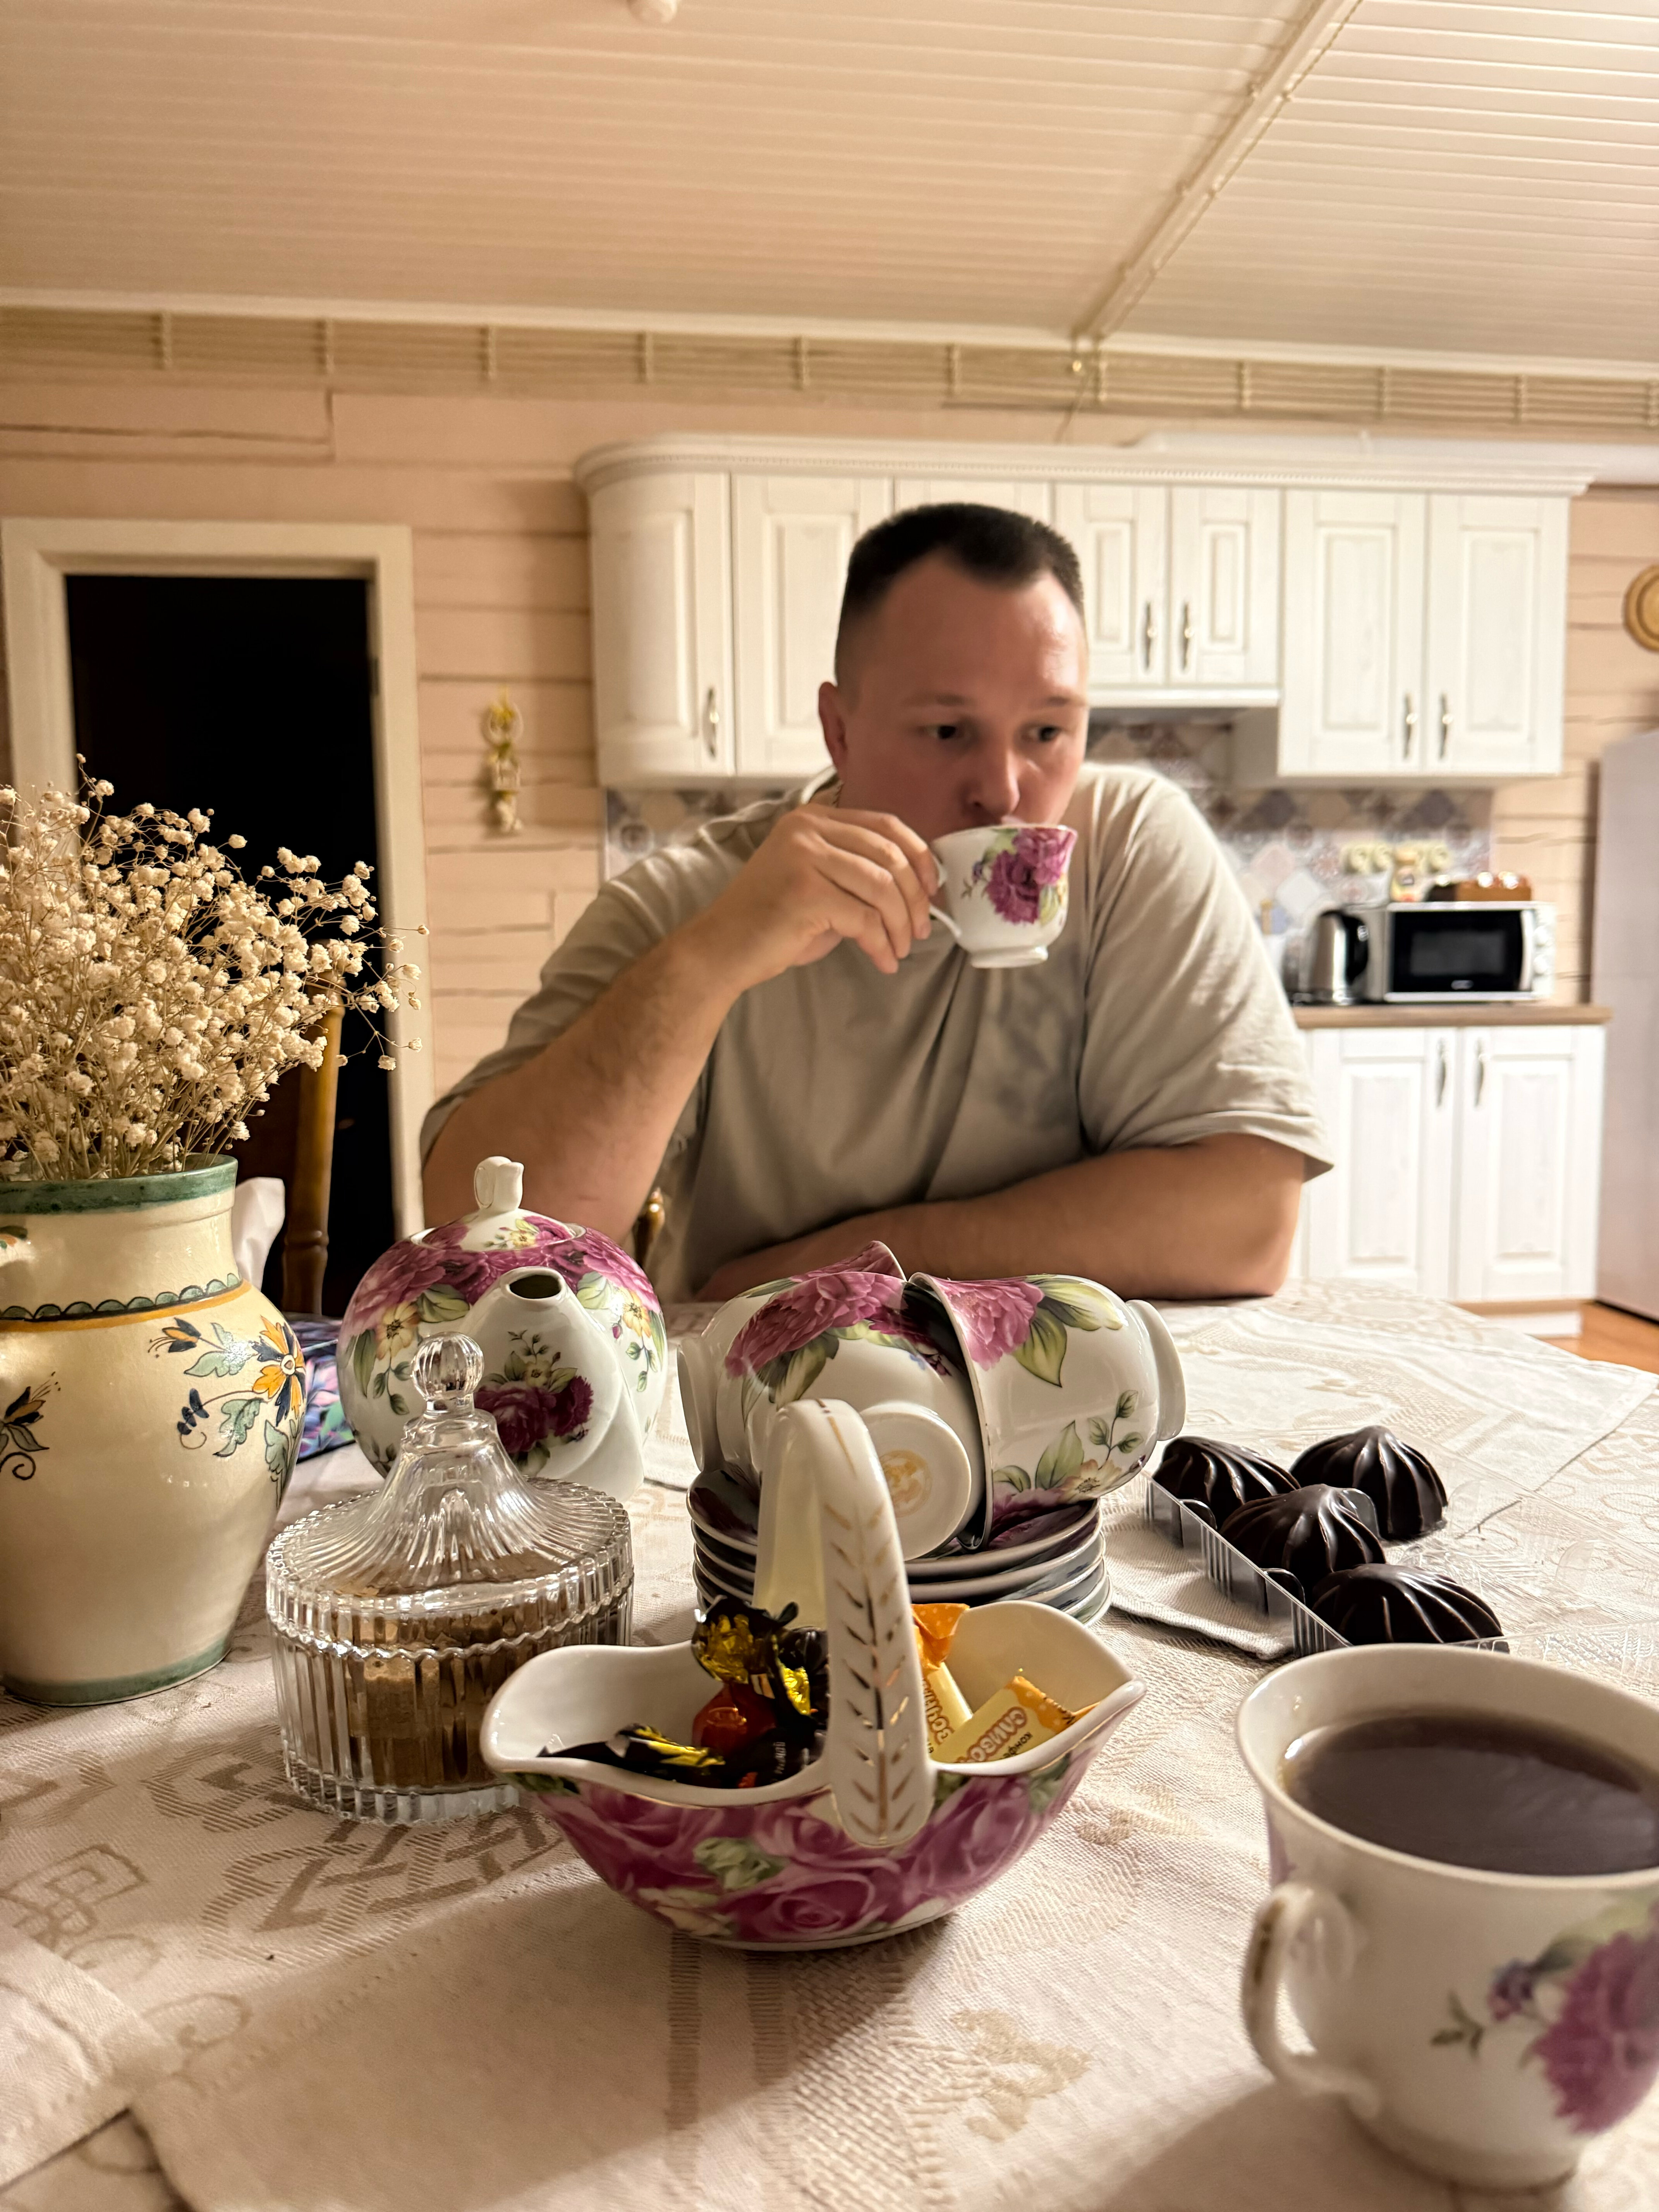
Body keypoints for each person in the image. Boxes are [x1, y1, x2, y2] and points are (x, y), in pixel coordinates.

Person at [423, 503, 1330, 1303]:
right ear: (840, 730)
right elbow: (481, 1237)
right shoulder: (698, 902)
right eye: (947, 731)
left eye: (1048, 732)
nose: (1005, 791)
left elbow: (1247, 1220)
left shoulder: (1128, 845)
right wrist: (714, 962)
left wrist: (843, 1264)